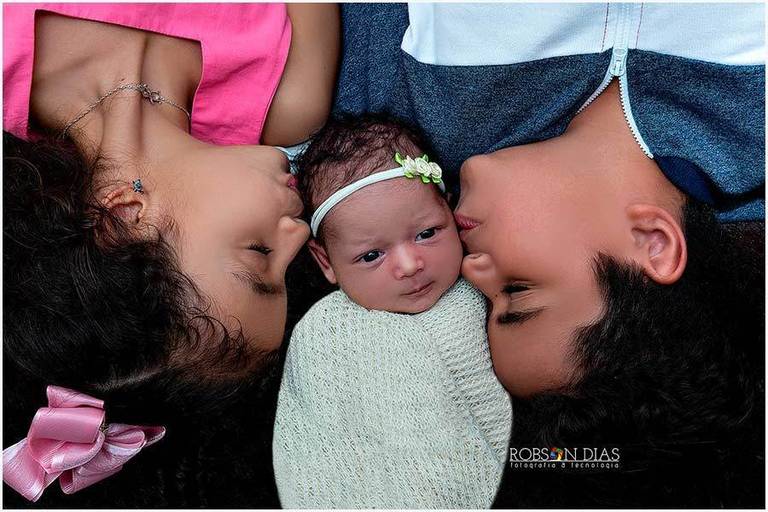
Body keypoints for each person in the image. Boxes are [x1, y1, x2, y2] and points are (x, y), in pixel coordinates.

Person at [330, 3, 764, 507]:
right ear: (655, 244)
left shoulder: (392, 148)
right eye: (516, 291)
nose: (468, 269)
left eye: (484, 301)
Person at [3, 3, 338, 507]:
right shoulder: (290, 99)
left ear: (125, 215)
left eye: (259, 253)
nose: (299, 233)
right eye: (288, 269)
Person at [272, 115, 511, 508]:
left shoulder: (485, 287)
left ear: (451, 211)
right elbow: (323, 436)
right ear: (326, 262)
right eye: (371, 256)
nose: (410, 265)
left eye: (427, 233)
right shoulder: (325, 334)